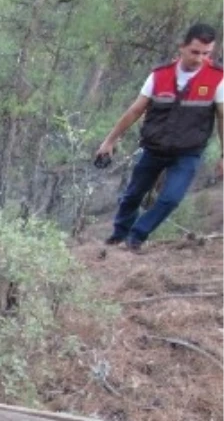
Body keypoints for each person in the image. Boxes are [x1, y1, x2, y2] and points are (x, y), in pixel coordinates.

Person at [95, 22, 224, 250]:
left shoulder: (217, 79)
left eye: (206, 53)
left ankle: (136, 237)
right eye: (195, 52)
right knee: (132, 195)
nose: (200, 58)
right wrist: (110, 140)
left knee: (171, 199)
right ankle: (118, 235)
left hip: (188, 152)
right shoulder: (159, 75)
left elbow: (223, 118)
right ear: (182, 47)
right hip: (154, 148)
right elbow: (135, 110)